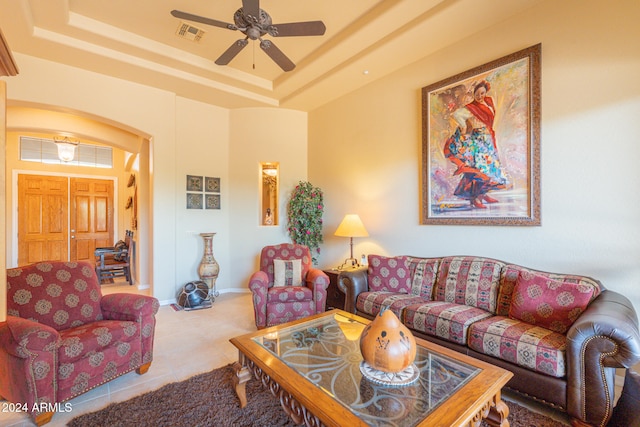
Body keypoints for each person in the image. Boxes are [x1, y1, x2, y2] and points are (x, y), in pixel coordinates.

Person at [443, 80, 508, 208]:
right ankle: (475, 198)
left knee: (489, 168)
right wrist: (464, 126)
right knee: (479, 168)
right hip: (477, 139)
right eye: (477, 94)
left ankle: (483, 194)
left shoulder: (489, 102)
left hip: (487, 137)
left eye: (482, 93)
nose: (480, 96)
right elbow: (456, 114)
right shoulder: (472, 107)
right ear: (474, 94)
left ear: (486, 92)